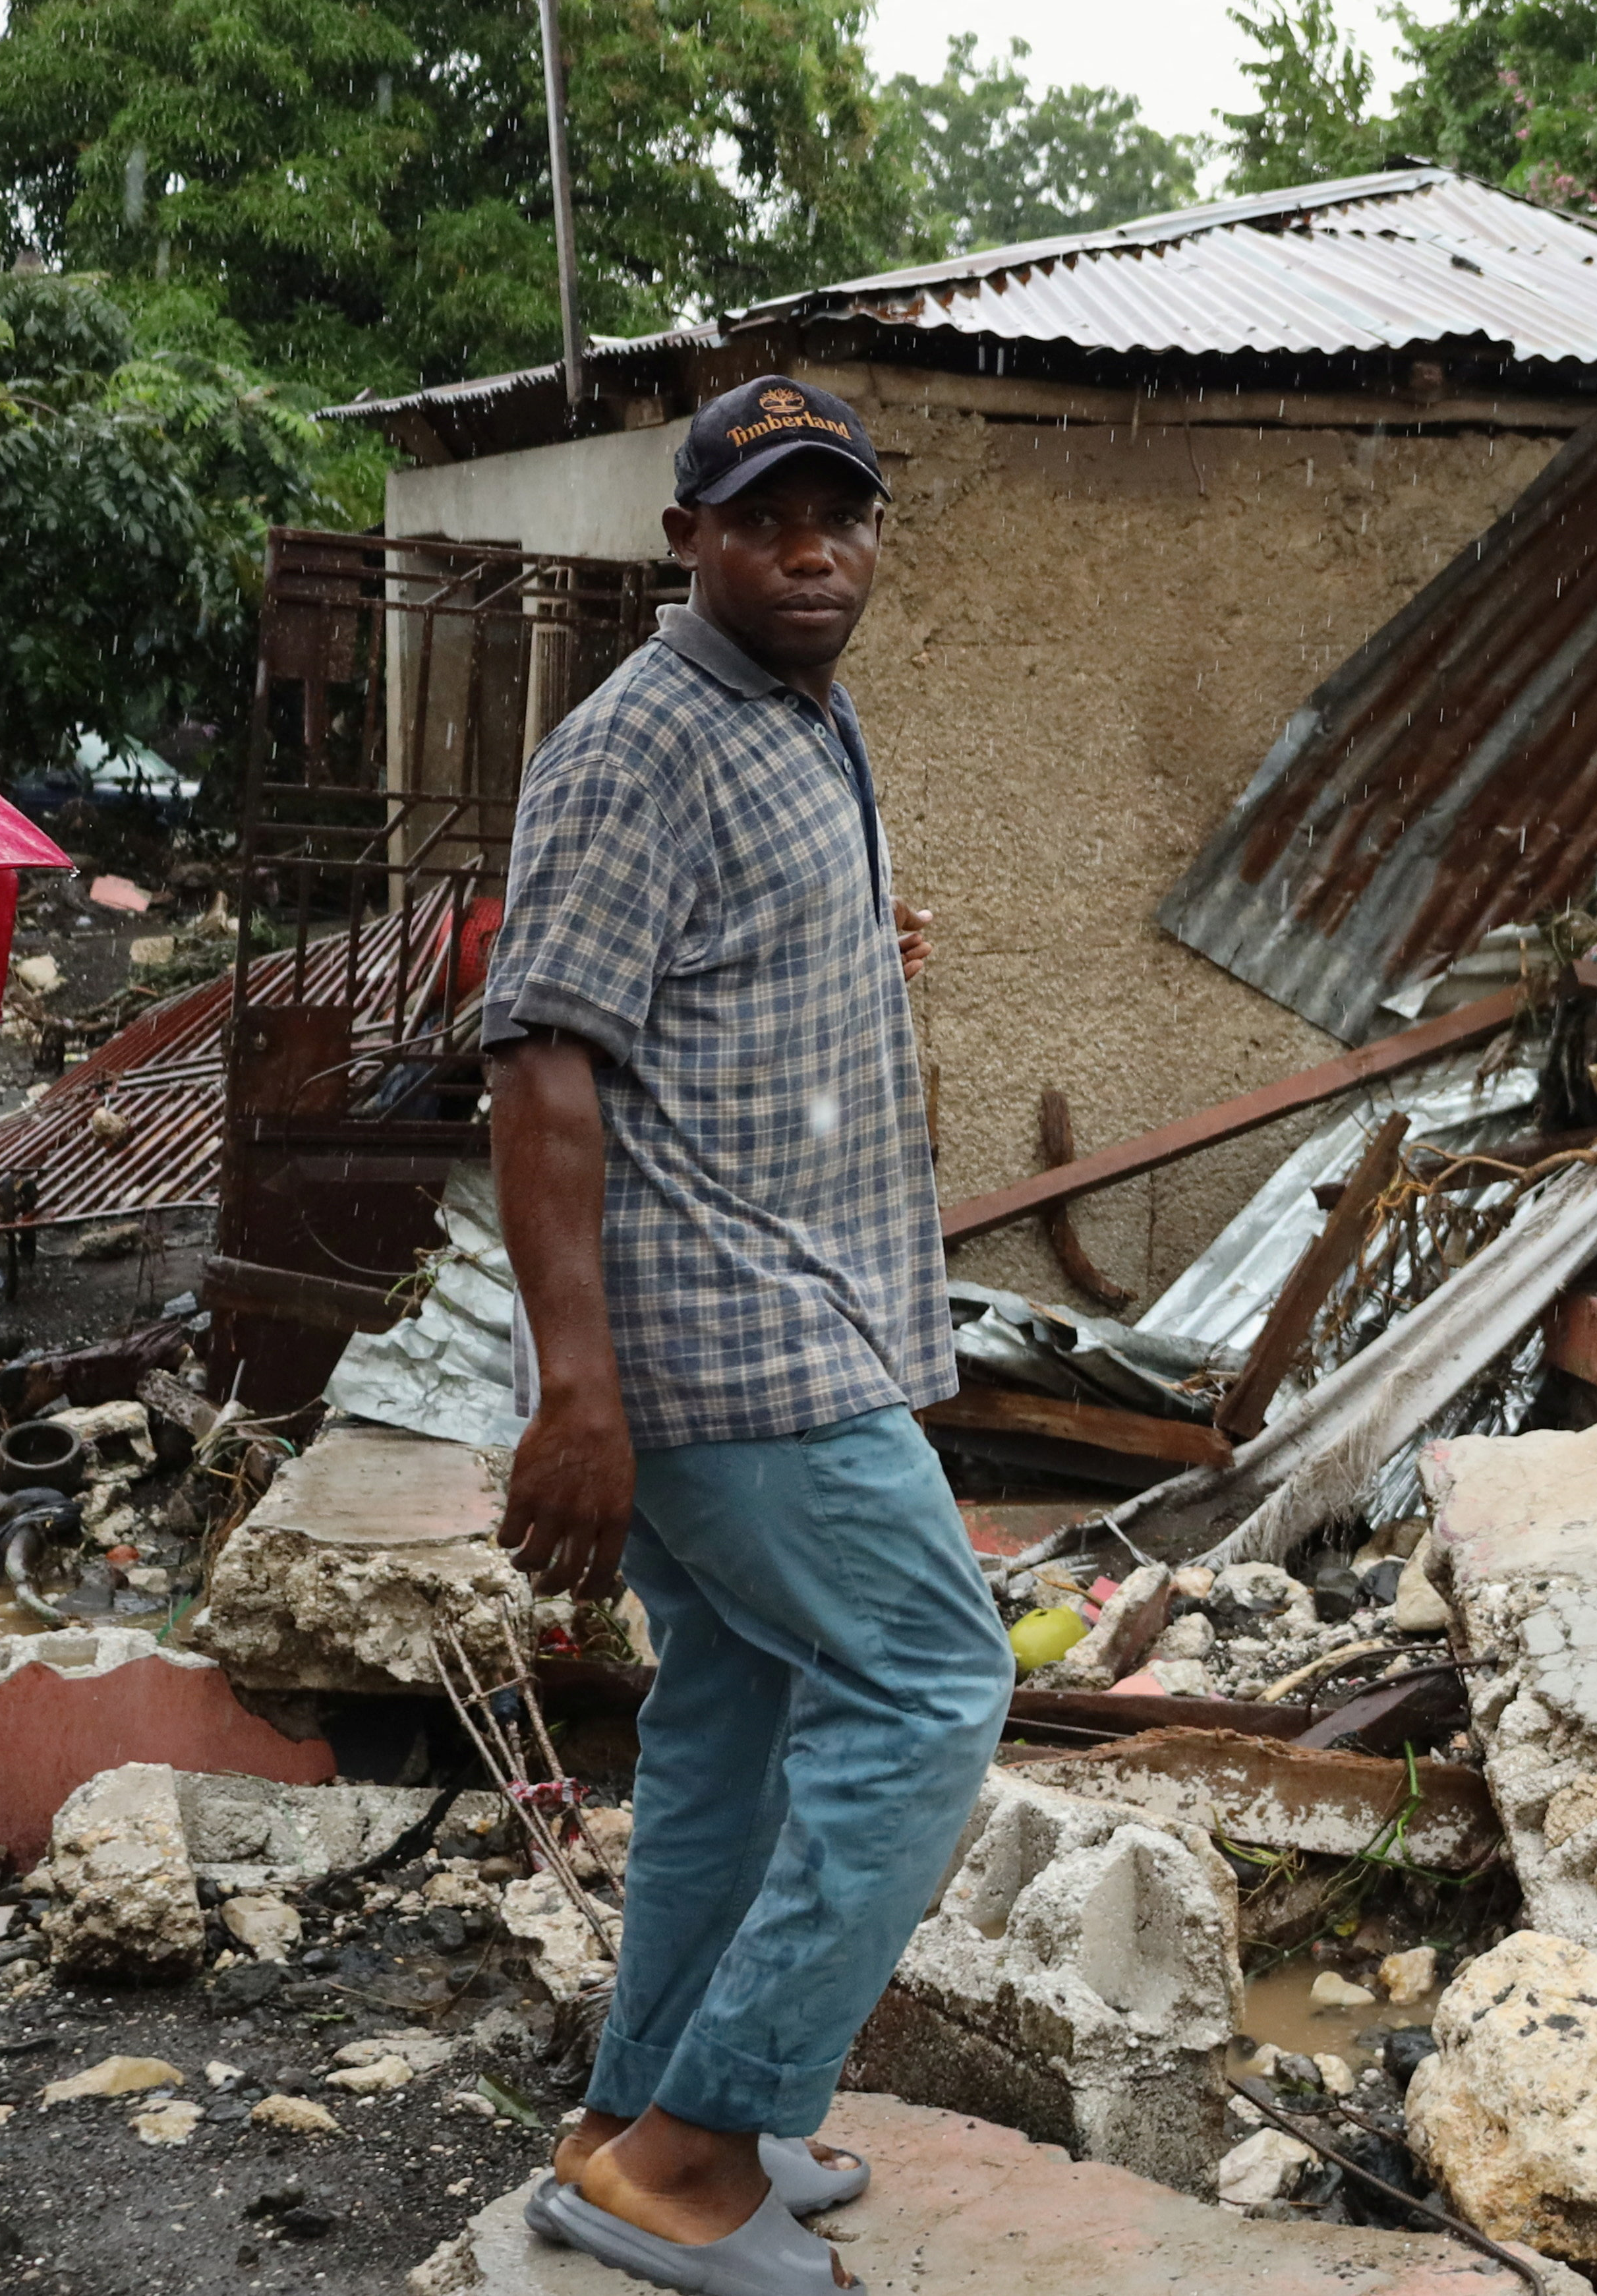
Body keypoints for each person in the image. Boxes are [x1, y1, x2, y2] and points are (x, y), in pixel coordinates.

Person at [480, 374, 1009, 2295]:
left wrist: (853, 944)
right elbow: (540, 1063)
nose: (811, 550)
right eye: (766, 516)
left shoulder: (797, 713)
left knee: (742, 1710)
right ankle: (693, 2158)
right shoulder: (640, 744)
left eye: (840, 515)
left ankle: (640, 2112)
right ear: (685, 536)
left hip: (793, 1300)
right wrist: (576, 1393)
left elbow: (699, 977)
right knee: (932, 1680)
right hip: (724, 1339)